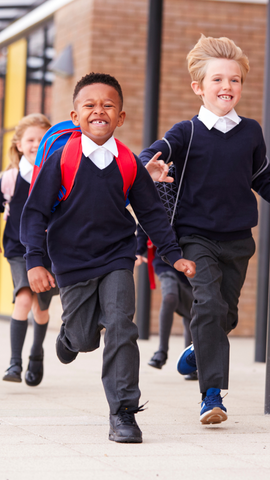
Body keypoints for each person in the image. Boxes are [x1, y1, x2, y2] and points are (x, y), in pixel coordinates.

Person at [20, 73, 196, 443]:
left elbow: (150, 214)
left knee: (121, 324)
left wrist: (173, 254)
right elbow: (35, 213)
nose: (99, 110)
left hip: (118, 255)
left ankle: (123, 413)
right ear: (75, 114)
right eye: (90, 105)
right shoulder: (61, 158)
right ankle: (70, 337)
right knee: (85, 338)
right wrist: (35, 261)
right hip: (71, 262)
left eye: (108, 105)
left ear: (121, 117)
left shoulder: (128, 162)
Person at [139, 34, 270, 425]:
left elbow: (262, 179)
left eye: (234, 80)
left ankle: (198, 351)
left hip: (238, 240)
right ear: (199, 86)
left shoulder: (251, 132)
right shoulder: (187, 131)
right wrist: (150, 167)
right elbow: (150, 154)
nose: (226, 86)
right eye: (217, 80)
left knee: (224, 316)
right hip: (195, 237)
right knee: (209, 307)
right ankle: (212, 396)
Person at [0, 113, 58, 387]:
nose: (36, 144)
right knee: (24, 296)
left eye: (42, 139)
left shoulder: (57, 173)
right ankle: (14, 362)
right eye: (30, 139)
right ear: (19, 144)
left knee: (41, 308)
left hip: (49, 249)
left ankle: (36, 353)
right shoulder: (8, 179)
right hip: (16, 247)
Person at [136, 224, 197, 380]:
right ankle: (161, 352)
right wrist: (138, 250)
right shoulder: (159, 198)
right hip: (165, 259)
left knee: (192, 310)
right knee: (170, 297)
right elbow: (146, 219)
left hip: (192, 259)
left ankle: (190, 362)